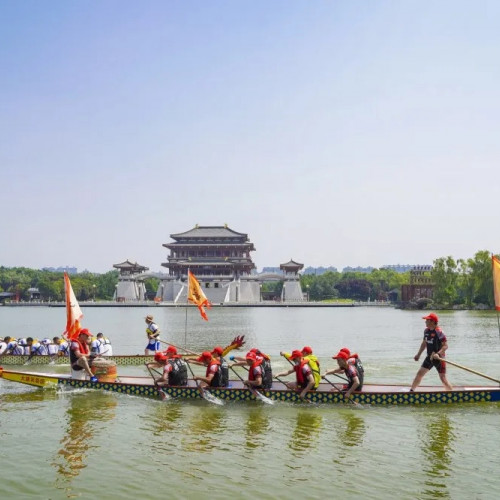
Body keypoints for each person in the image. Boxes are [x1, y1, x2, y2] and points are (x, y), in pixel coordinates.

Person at [410, 313, 452, 391]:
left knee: (443, 378)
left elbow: (445, 346)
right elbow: (424, 343)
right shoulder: (426, 331)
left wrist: (438, 354)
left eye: (427, 320)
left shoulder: (439, 332)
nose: (425, 322)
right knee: (419, 374)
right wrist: (418, 354)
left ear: (433, 321)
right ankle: (411, 391)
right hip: (429, 357)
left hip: (439, 358)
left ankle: (451, 394)